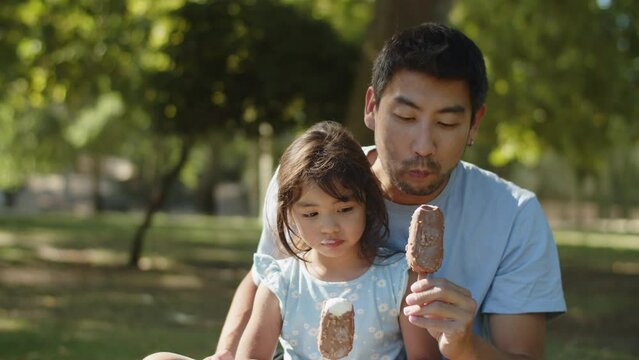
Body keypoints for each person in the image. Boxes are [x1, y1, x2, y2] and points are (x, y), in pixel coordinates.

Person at [212, 22, 566, 360]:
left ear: (474, 124)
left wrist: (463, 346)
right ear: (371, 107)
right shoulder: (306, 181)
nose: (424, 145)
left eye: (446, 123)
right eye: (406, 117)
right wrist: (226, 351)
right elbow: (267, 274)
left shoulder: (514, 215)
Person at [144, 122, 439, 360]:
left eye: (345, 209)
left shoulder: (399, 278)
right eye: (310, 213)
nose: (329, 227)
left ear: (368, 203)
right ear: (288, 214)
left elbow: (423, 357)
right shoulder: (281, 283)